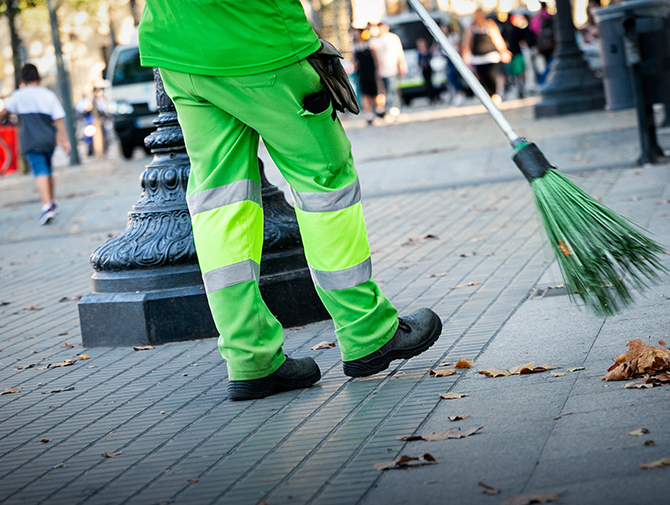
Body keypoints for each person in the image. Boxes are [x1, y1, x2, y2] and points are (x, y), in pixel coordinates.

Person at [137, 1, 442, 401]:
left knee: (219, 201)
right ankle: (366, 329)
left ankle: (250, 356)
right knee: (325, 180)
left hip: (177, 49)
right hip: (259, 42)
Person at [0, 64, 71, 225]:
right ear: (40, 78)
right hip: (48, 139)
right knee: (48, 168)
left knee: (40, 171)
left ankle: (46, 207)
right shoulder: (48, 95)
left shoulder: (18, 95)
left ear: (22, 80)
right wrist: (65, 141)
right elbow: (59, 121)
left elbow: (3, 113)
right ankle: (52, 201)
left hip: (31, 139)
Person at [462, 9, 512, 102]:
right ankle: (487, 96)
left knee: (491, 77)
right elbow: (467, 43)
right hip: (478, 58)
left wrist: (503, 51)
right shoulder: (472, 27)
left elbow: (497, 39)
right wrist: (466, 55)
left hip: (490, 56)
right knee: (482, 78)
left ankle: (493, 94)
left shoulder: (489, 25)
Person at [370, 22, 407, 116]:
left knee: (392, 88)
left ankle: (394, 107)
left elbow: (399, 52)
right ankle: (385, 108)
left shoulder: (393, 38)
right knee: (383, 90)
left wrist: (402, 65)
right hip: (381, 69)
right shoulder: (375, 41)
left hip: (392, 67)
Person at [352, 27, 382, 124]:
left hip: (371, 72)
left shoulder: (369, 45)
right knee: (365, 94)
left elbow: (376, 59)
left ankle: (379, 109)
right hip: (362, 73)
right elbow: (354, 62)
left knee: (376, 92)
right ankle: (369, 113)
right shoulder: (354, 47)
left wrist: (377, 70)